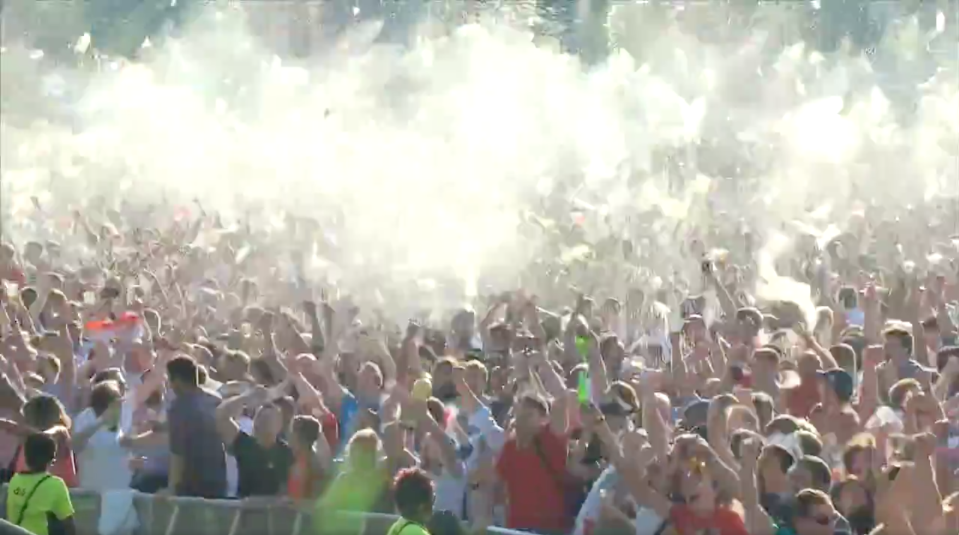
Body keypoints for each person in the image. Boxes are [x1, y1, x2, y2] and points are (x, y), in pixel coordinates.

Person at [214, 384, 293, 497]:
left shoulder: (286, 453)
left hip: (273, 512)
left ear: (280, 425)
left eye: (271, 416)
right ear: (254, 422)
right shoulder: (244, 444)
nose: (265, 419)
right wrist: (246, 397)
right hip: (246, 510)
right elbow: (220, 416)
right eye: (261, 415)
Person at [165, 355, 226, 498]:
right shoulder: (215, 399)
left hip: (191, 484)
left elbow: (178, 452)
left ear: (178, 380)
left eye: (169, 379)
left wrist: (171, 487)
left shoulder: (178, 407)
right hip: (218, 479)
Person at [5, 433, 76, 535]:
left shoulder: (14, 480)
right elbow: (68, 524)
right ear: (52, 459)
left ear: (26, 455)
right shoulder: (55, 485)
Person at [386, 468, 435, 535]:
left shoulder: (397, 527)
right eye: (432, 500)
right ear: (421, 506)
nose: (433, 507)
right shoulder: (417, 532)